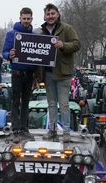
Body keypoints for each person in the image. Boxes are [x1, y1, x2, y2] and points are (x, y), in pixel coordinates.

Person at [40, 3, 81, 142]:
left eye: (53, 13)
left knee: (64, 104)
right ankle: (52, 130)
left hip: (63, 73)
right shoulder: (41, 31)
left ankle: (66, 132)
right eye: (48, 14)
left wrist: (64, 45)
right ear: (45, 16)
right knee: (51, 103)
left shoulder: (67, 28)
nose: (50, 16)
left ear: (57, 14)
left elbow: (77, 44)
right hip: (48, 73)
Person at [2, 7, 36, 138]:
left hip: (29, 74)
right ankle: (15, 129)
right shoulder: (11, 34)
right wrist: (9, 55)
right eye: (24, 18)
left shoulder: (34, 36)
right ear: (20, 18)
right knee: (15, 101)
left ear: (31, 19)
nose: (26, 21)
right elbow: (4, 52)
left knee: (26, 102)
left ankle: (24, 128)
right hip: (16, 73)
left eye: (28, 19)